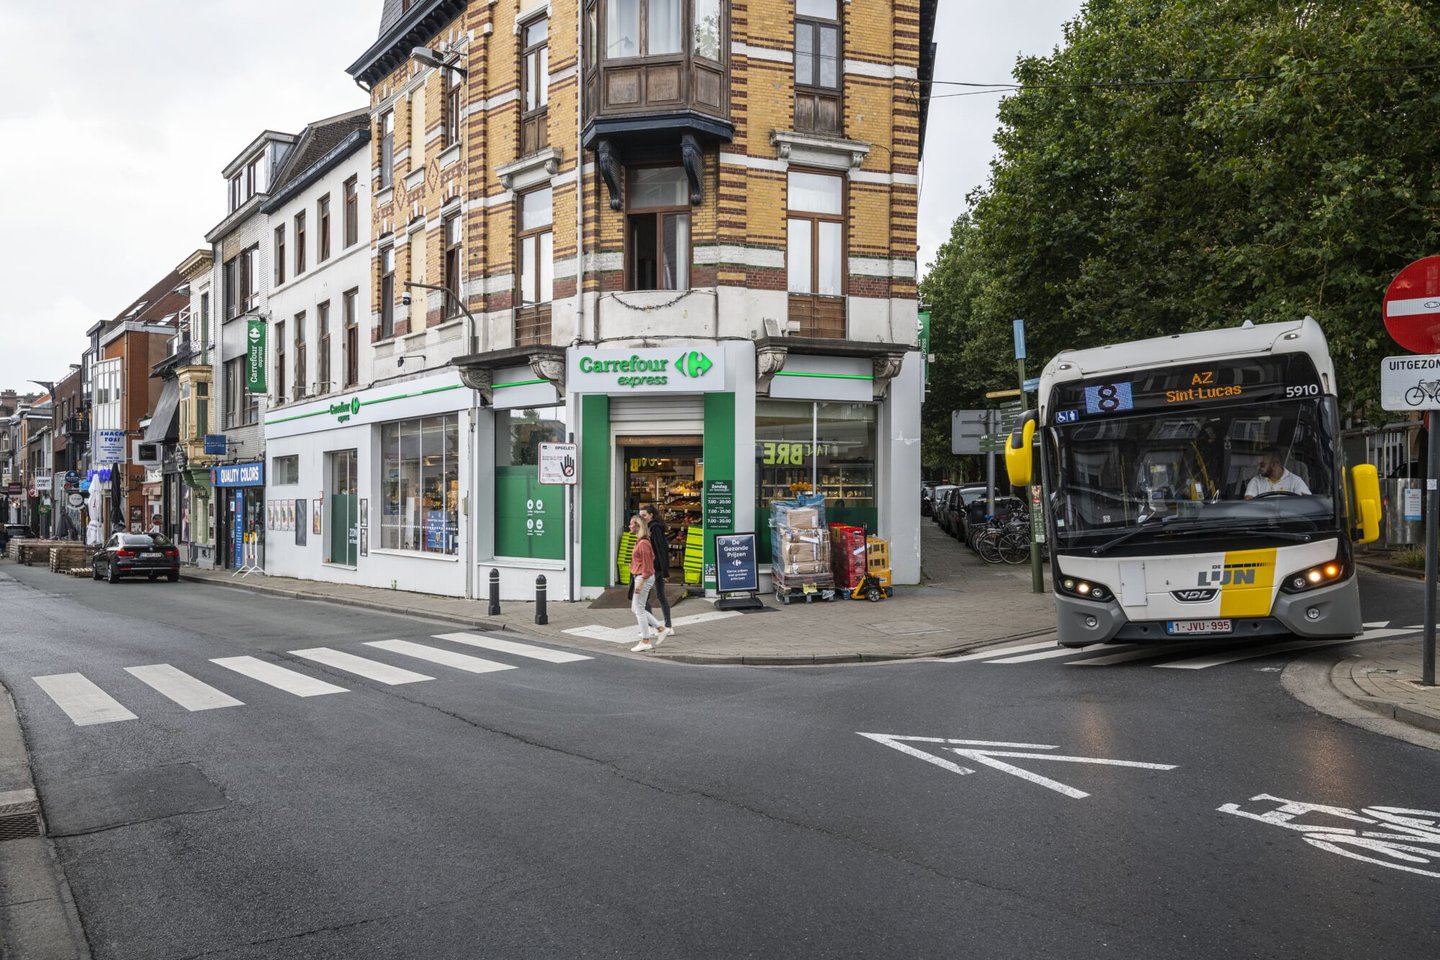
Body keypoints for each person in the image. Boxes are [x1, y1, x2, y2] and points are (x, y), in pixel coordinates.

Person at [628, 515, 671, 653]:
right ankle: (660, 628)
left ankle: (645, 640)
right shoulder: (641, 542)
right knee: (636, 608)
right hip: (640, 576)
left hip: (642, 577)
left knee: (639, 610)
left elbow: (647, 566)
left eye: (631, 524)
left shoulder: (644, 544)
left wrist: (641, 583)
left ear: (638, 526)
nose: (629, 526)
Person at [638, 503, 674, 636]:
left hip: (654, 567)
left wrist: (665, 570)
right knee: (659, 595)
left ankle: (655, 627)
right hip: (654, 566)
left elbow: (661, 549)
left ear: (651, 515)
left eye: (644, 515)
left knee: (645, 597)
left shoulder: (655, 528)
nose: (641, 518)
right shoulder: (647, 527)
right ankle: (667, 626)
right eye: (640, 515)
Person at [1244, 449, 1311, 499]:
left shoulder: (1295, 481)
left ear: (1275, 463)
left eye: (1262, 464)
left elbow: (1306, 501)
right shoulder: (1256, 481)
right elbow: (1248, 501)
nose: (1258, 468)